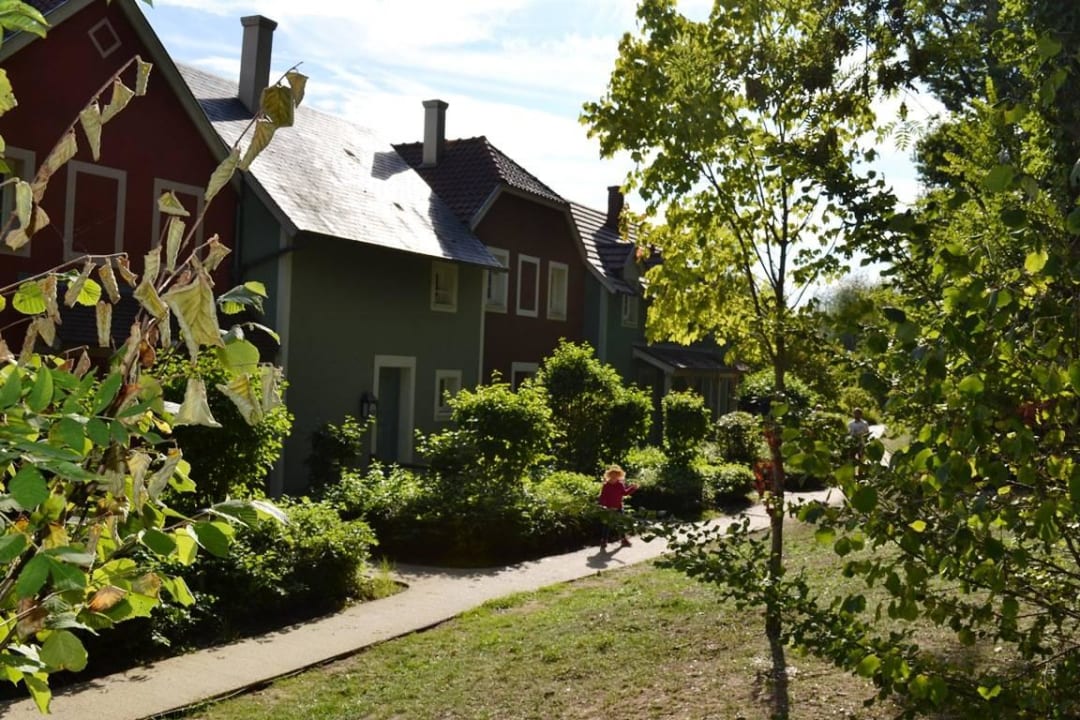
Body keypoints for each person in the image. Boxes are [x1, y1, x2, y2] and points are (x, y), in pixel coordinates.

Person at [598, 464, 637, 551]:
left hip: (618, 507)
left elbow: (624, 493)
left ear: (619, 475)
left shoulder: (620, 484)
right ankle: (604, 541)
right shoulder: (606, 485)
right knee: (606, 525)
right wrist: (603, 506)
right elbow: (602, 497)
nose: (614, 476)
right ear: (609, 475)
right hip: (608, 509)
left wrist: (632, 488)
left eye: (616, 474)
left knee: (621, 524)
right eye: (613, 474)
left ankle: (623, 540)